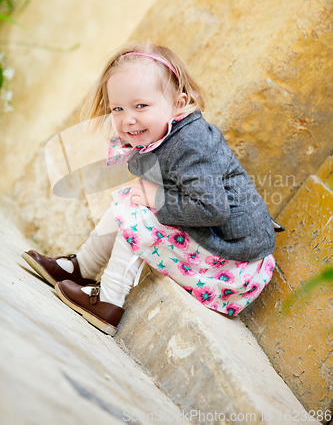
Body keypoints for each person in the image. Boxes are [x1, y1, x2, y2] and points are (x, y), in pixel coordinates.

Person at [22, 42, 278, 336]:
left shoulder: (191, 142)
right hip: (217, 244)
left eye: (140, 106)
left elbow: (212, 208)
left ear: (178, 104)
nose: (127, 118)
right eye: (117, 108)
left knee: (139, 215)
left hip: (233, 264)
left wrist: (156, 197)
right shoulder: (163, 135)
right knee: (130, 199)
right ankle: (83, 267)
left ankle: (109, 301)